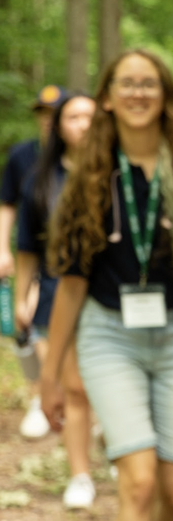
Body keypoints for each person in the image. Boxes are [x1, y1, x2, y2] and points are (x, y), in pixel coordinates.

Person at [39, 48, 173, 521]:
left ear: (165, 94)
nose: (138, 93)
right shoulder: (87, 180)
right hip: (111, 338)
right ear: (107, 98)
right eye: (126, 83)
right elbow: (71, 284)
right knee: (139, 484)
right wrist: (50, 374)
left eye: (148, 83)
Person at [15, 90, 98, 509]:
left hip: (111, 299)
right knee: (75, 389)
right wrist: (20, 296)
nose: (82, 124)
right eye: (73, 117)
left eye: (90, 116)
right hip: (57, 294)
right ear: (59, 127)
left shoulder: (116, 174)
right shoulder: (41, 180)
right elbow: (27, 247)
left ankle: (121, 446)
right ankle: (80, 474)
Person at [1, 84, 66, 440]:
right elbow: (7, 203)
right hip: (30, 252)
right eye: (43, 114)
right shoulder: (22, 156)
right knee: (22, 321)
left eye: (55, 115)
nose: (48, 121)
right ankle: (38, 394)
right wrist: (2, 249)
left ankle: (61, 392)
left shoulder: (76, 157)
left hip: (67, 260)